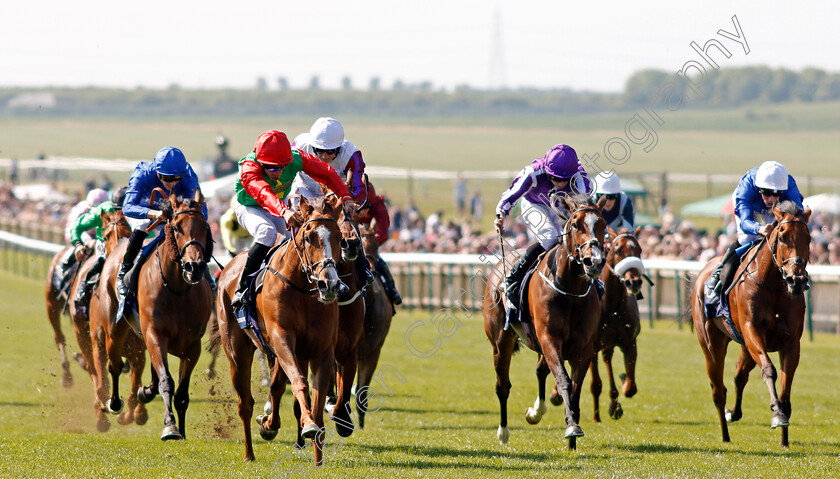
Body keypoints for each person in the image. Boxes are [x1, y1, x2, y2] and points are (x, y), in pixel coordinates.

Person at [229, 130, 356, 311]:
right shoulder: (249, 168)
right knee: (267, 233)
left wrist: (345, 196)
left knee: (307, 233)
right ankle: (243, 288)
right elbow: (264, 193)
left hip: (279, 206)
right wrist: (284, 212)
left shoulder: (296, 157)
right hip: (250, 207)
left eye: (282, 166)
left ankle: (329, 279)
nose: (278, 172)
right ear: (261, 162)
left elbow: (327, 173)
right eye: (272, 168)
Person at [493, 144, 590, 327]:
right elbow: (511, 194)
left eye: (565, 180)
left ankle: (592, 282)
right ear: (547, 171)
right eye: (555, 179)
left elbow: (585, 211)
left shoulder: (581, 179)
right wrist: (501, 215)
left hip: (564, 208)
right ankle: (513, 277)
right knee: (550, 238)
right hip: (535, 205)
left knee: (574, 240)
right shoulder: (533, 173)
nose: (560, 183)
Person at [116, 147, 207, 301]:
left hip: (173, 213)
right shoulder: (142, 173)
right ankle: (125, 269)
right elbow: (127, 207)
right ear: (157, 171)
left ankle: (205, 274)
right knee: (143, 226)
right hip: (145, 211)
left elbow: (195, 206)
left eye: (177, 178)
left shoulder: (189, 175)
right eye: (167, 178)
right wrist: (155, 214)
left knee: (197, 229)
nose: (173, 183)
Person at [708, 161, 804, 297]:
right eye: (767, 193)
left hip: (779, 209)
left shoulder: (789, 187)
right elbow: (745, 222)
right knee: (747, 239)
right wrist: (759, 228)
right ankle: (719, 274)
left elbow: (797, 214)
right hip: (751, 205)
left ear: (782, 191)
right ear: (759, 188)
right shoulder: (747, 187)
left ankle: (797, 276)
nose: (771, 199)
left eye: (776, 194)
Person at [70, 187, 127, 314]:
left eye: (123, 211)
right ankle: (82, 295)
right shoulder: (101, 210)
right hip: (104, 243)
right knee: (100, 261)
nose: (119, 215)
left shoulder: (136, 211)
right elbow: (77, 226)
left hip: (128, 245)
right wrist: (78, 244)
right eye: (116, 211)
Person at [290, 117, 367, 202]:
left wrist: (351, 200)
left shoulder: (351, 155)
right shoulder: (299, 146)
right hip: (304, 190)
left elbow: (359, 190)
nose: (324, 156)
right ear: (313, 146)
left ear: (338, 148)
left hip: (335, 195)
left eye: (330, 151)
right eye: (319, 150)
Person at [55, 188, 109, 296]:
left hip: (98, 235)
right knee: (82, 249)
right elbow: (73, 230)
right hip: (81, 234)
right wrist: (83, 243)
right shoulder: (81, 209)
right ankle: (63, 274)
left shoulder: (109, 210)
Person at [357, 181, 402, 305]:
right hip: (353, 240)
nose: (361, 212)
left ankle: (391, 289)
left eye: (365, 208)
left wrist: (370, 242)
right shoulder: (348, 203)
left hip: (370, 241)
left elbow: (383, 234)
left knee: (377, 261)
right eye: (359, 207)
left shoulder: (379, 207)